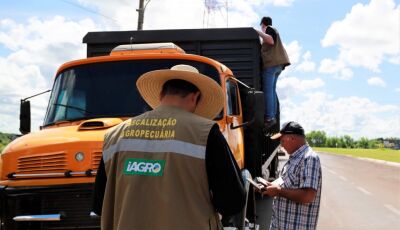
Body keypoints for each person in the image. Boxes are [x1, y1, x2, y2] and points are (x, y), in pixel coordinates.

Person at [91, 64, 246, 230]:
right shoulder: (205, 133)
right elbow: (232, 201)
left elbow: (100, 205)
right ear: (195, 97)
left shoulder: (114, 136)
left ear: (160, 95)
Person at [259, 121, 322, 230]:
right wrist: (268, 186)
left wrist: (278, 191)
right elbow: (285, 182)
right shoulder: (294, 158)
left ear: (292, 138)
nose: (281, 145)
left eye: (282, 141)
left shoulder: (309, 158)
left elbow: (308, 196)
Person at [255, 16, 290, 129]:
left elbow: (270, 40)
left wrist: (257, 32)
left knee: (268, 91)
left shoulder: (269, 29)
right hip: (278, 65)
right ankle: (272, 116)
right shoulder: (274, 30)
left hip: (271, 65)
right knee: (272, 91)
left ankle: (269, 117)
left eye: (261, 27)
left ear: (263, 25)